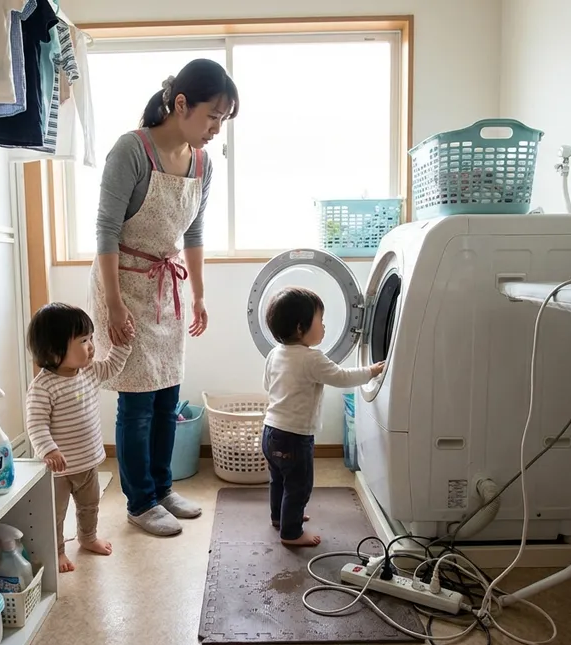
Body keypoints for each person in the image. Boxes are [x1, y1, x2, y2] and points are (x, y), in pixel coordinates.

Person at [90, 59, 239, 537]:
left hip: (166, 287)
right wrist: (114, 304)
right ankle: (140, 502)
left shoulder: (203, 164)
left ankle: (162, 488)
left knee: (168, 395)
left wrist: (199, 294)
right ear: (181, 104)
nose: (216, 129)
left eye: (223, 120)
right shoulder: (131, 151)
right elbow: (106, 231)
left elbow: (193, 232)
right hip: (122, 284)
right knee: (137, 402)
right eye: (212, 116)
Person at [262, 287, 385, 547]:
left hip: (270, 431)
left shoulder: (274, 353)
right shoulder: (312, 358)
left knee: (279, 480)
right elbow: (342, 377)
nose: (324, 326)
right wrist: (371, 371)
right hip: (295, 436)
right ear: (300, 327)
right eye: (320, 320)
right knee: (299, 486)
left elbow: (267, 384)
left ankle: (279, 517)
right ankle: (291, 533)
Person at [25, 303, 132, 572]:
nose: (91, 346)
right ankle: (57, 550)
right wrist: (49, 450)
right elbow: (36, 423)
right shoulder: (43, 386)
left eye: (91, 338)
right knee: (55, 513)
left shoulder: (90, 371)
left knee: (89, 505)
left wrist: (122, 344)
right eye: (83, 341)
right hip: (58, 470)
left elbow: (112, 367)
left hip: (87, 463)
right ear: (53, 350)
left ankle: (88, 537)